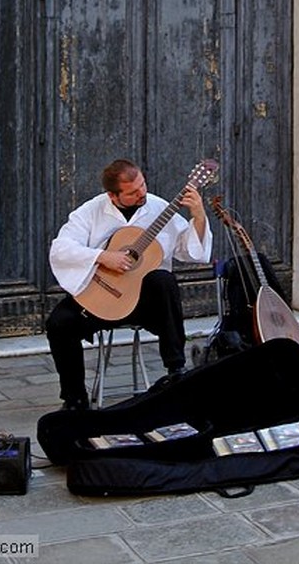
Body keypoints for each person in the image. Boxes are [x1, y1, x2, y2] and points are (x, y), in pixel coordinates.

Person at [47, 158, 213, 410]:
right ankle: (75, 400)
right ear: (113, 196)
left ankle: (176, 372)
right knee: (58, 323)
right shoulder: (91, 211)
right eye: (133, 192)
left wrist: (199, 216)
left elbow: (194, 254)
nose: (142, 193)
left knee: (163, 280)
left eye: (143, 185)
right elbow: (61, 249)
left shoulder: (159, 208)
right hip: (101, 300)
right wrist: (103, 257)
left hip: (144, 305)